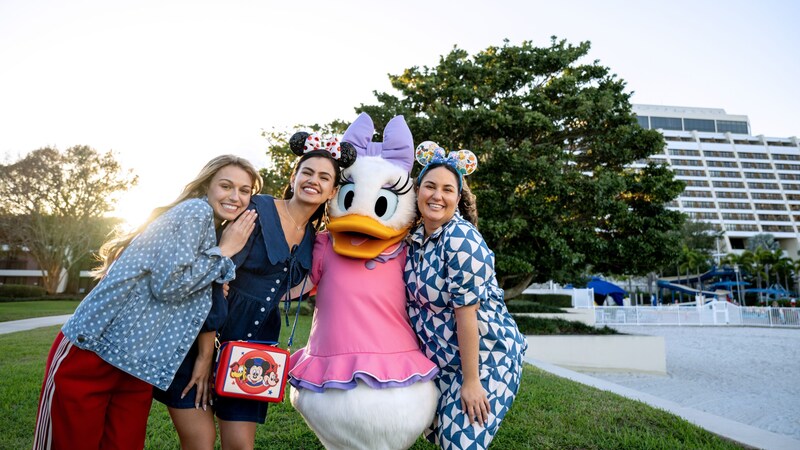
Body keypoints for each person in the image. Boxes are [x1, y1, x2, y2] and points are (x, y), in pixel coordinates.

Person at [33, 155, 262, 450]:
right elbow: (169, 285)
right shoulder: (195, 211)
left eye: (245, 191)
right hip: (94, 350)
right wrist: (226, 251)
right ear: (207, 185)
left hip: (139, 365)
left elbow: (182, 288)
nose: (235, 197)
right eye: (226, 186)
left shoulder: (207, 230)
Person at [155, 134, 347, 450]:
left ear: (333, 190)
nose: (313, 181)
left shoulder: (315, 238)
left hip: (254, 354)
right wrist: (206, 356)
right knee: (199, 442)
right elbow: (214, 278)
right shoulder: (256, 210)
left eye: (324, 177)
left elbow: (295, 287)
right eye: (307, 172)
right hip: (202, 337)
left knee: (240, 446)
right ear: (294, 176)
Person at [404, 142, 528, 450]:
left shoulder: (461, 240)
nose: (437, 195)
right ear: (418, 191)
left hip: (487, 358)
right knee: (434, 431)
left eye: (447, 189)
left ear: (458, 198)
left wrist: (472, 382)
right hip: (442, 361)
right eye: (430, 186)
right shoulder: (415, 239)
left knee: (460, 442)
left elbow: (466, 315)